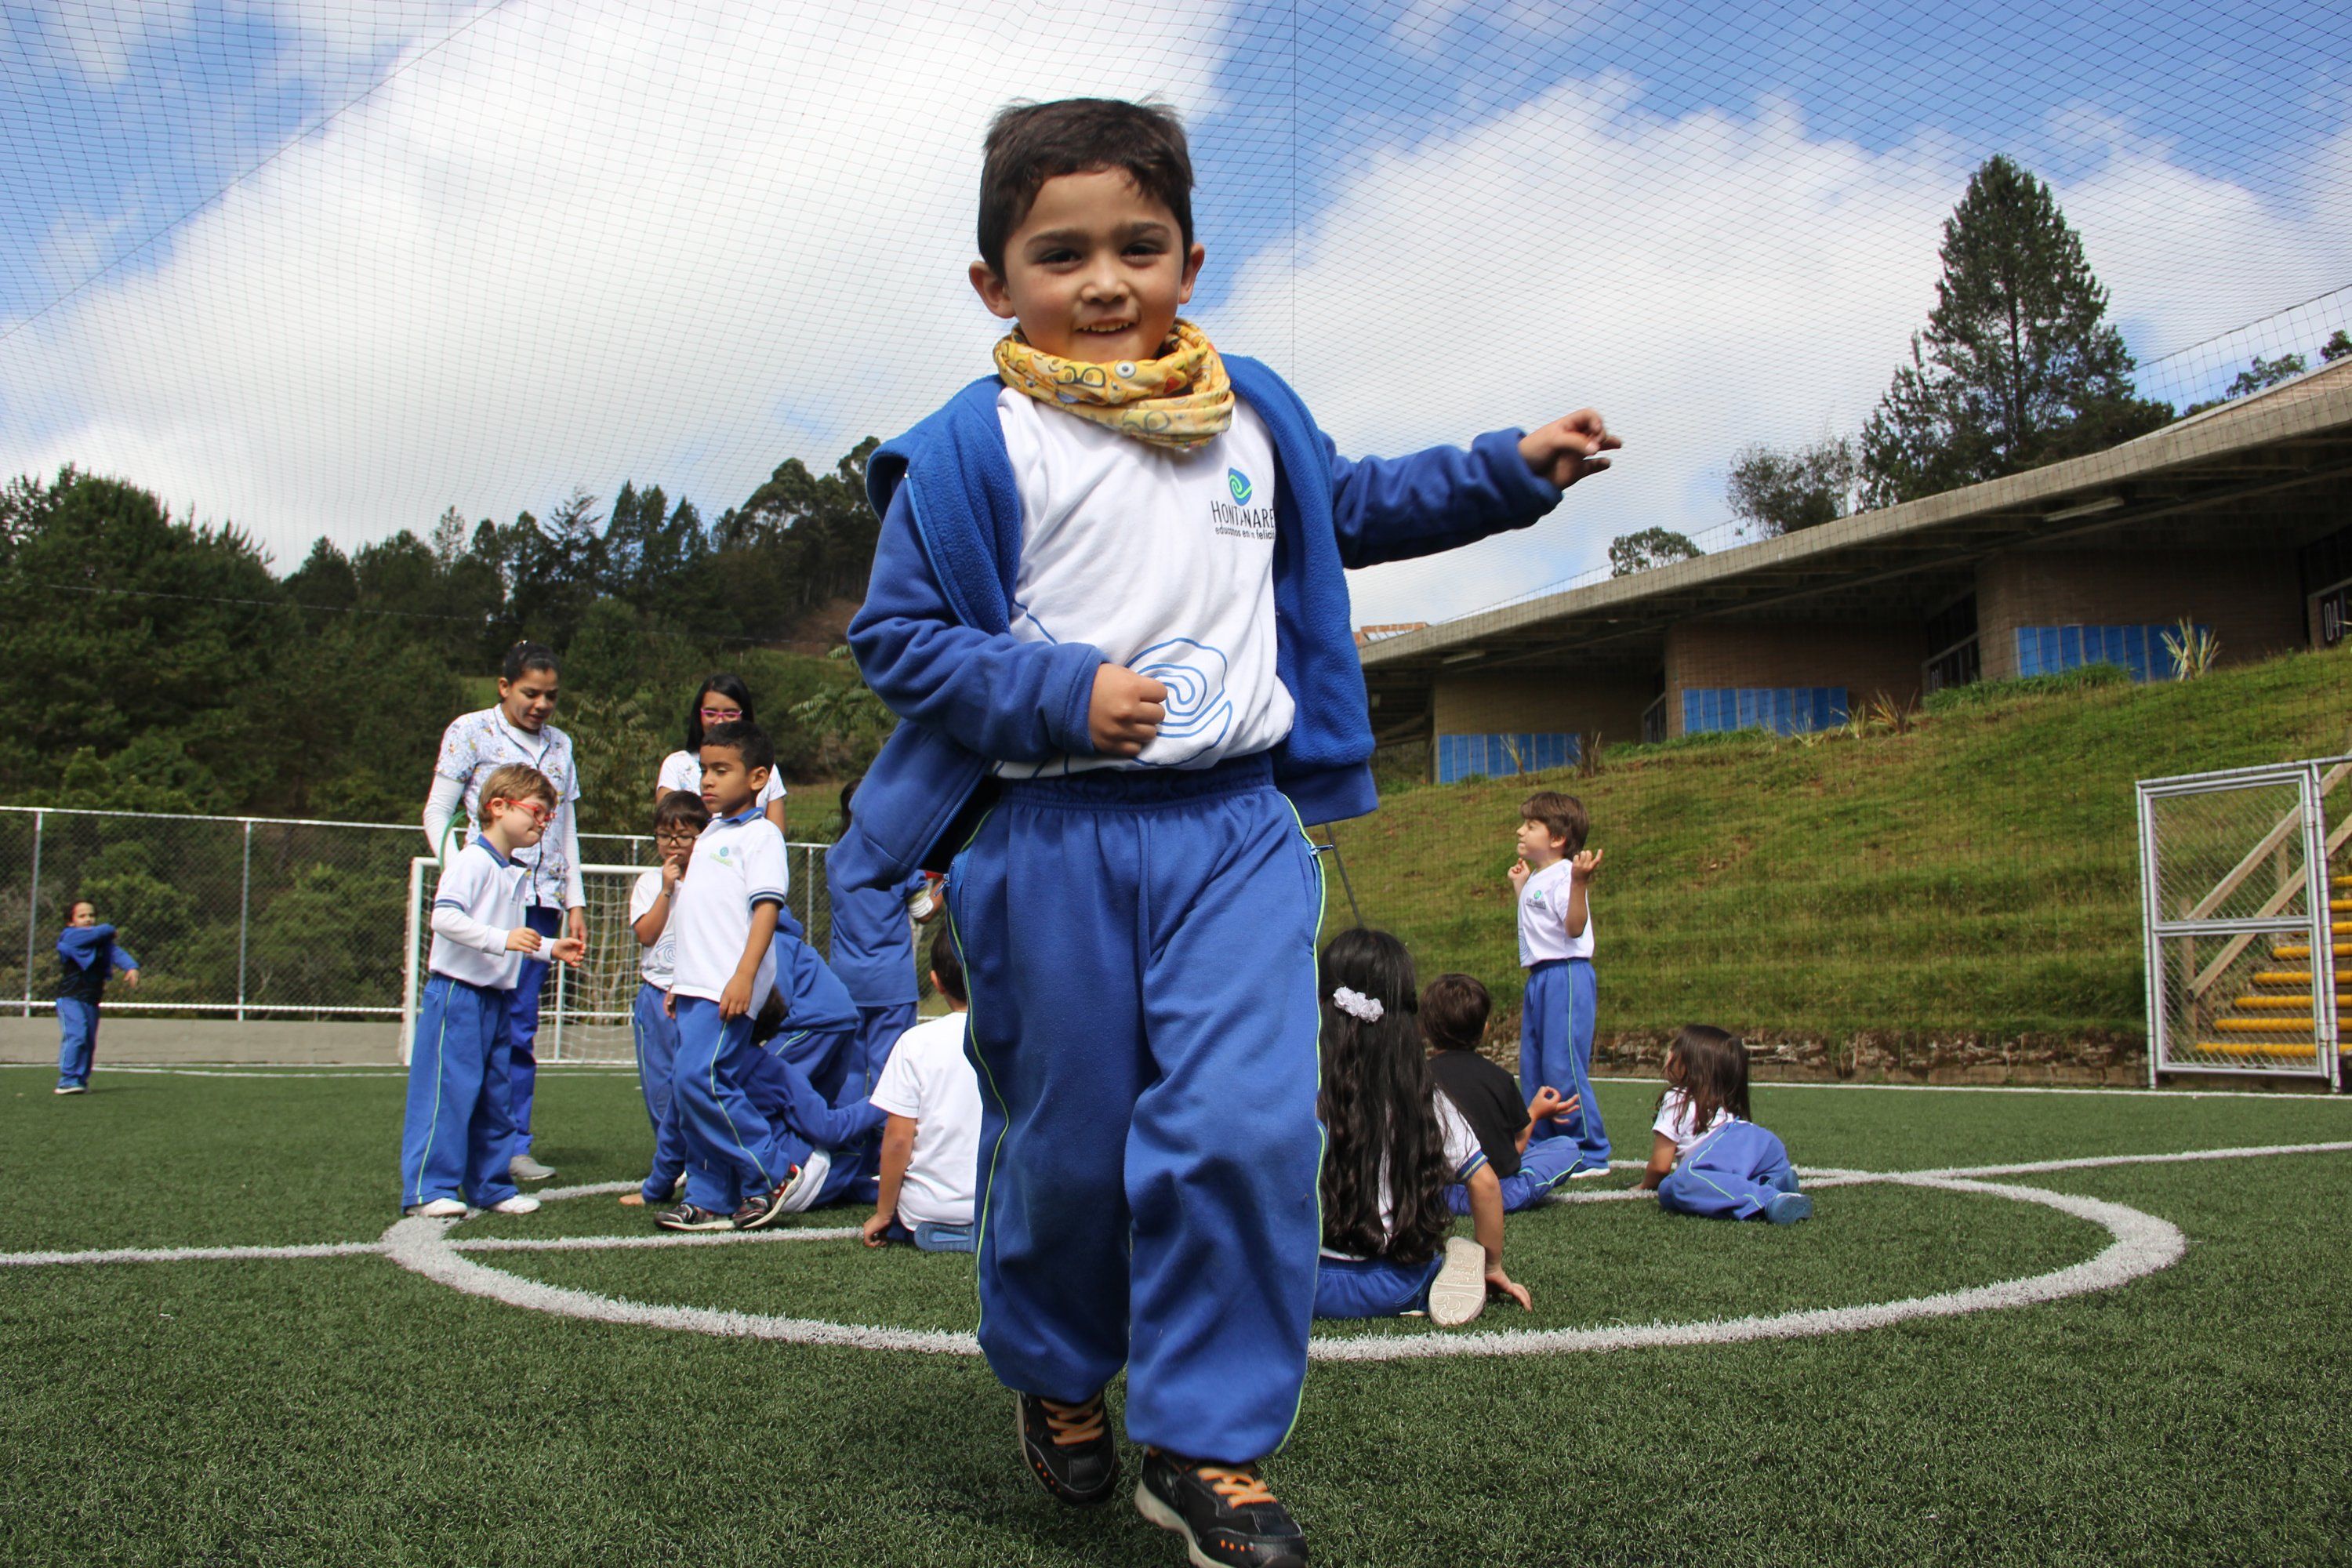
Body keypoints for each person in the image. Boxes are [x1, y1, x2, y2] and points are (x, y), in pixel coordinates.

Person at [831, 97, 1614, 1565]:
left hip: (1238, 834)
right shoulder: (964, 449)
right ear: (996, 285)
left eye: (1139, 246)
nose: (1106, 280)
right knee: (1067, 1152)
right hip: (1050, 844)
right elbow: (901, 641)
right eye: (1060, 253)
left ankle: (1205, 1444)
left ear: (1190, 259)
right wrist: (1061, 691)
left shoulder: (1249, 407)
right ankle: (1062, 1373)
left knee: (1249, 1128)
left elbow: (1353, 506)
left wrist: (1510, 469)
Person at [1312, 929, 1530, 1333]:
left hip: (1303, 1285)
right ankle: (1447, 1270)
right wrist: (1494, 1264)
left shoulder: (1302, 1086)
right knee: (1441, 1258)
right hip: (1395, 1285)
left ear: (1324, 1001)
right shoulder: (1424, 1094)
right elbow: (1485, 1184)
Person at [425, 641, 586, 1183]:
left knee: (519, 1028)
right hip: (482, 903)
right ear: (504, 686)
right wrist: (465, 871)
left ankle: (511, 1144)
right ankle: (454, 1149)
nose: (541, 705)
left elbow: (564, 828)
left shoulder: (562, 746)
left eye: (551, 696)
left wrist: (575, 900)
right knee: (471, 1027)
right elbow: (438, 811)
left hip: (539, 899)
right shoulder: (469, 731)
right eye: (530, 693)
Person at [400, 763, 584, 1218]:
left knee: (495, 1097)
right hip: (458, 997)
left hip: (497, 1001)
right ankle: (429, 1189)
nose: (543, 825)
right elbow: (445, 918)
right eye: (537, 814)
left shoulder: (509, 870)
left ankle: (491, 1186)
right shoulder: (471, 861)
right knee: (447, 1093)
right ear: (498, 807)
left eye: (547, 818)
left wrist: (547, 946)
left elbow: (510, 932)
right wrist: (502, 940)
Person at [663, 718, 810, 1231]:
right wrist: (679, 984)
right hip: (694, 988)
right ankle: (709, 1196)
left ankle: (768, 1168)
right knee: (693, 1088)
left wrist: (746, 977)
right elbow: (700, 917)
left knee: (699, 1078)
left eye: (721, 770)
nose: (707, 780)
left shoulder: (762, 835)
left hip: (729, 987)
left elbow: (766, 909)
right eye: (704, 769)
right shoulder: (709, 837)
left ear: (757, 777)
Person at [1420, 972, 1586, 1213]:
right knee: (1566, 1147)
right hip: (1496, 1193)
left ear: (1425, 1028)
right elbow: (1511, 1154)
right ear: (1485, 1028)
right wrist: (1536, 1113)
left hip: (1434, 1194)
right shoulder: (1500, 1079)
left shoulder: (1418, 1078)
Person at [1509, 789, 1609, 1176]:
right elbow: (1537, 923)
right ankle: (1545, 1144)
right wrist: (1520, 888)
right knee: (1533, 1064)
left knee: (1562, 1063)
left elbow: (1573, 926)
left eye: (1531, 825)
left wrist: (1581, 883)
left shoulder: (1567, 874)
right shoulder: (1540, 876)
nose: (1521, 830)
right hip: (1540, 979)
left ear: (1557, 839)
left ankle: (1589, 1150)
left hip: (1566, 975)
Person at [861, 936, 981, 1253]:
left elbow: (899, 1139)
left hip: (926, 1214)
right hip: (1001, 1207)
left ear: (936, 982)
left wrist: (883, 1213)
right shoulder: (1016, 1038)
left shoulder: (915, 1043)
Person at [618, 789, 707, 1208]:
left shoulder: (713, 881)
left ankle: (701, 1163)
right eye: (664, 836)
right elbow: (646, 934)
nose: (673, 845)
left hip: (698, 995)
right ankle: (670, 1167)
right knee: (661, 1089)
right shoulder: (649, 882)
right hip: (655, 996)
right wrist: (667, 891)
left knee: (696, 1083)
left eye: (684, 836)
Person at [829, 776, 941, 1095]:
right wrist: (945, 881)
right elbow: (924, 912)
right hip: (891, 984)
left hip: (845, 981)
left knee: (848, 1073)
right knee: (888, 1075)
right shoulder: (901, 865)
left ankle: (846, 1142)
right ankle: (884, 1143)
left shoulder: (834, 859)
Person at [1638, 1024, 1811, 1224]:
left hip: (1727, 1145)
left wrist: (1644, 1185)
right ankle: (1772, 1184)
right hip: (1762, 1146)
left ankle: (1770, 1199)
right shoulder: (1721, 1098)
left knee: (1678, 1184)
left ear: (1691, 1064)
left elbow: (1660, 1167)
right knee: (1669, 1191)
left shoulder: (1676, 1097)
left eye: (1675, 1049)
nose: (1668, 1053)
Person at [655, 673, 787, 834]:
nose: (719, 721)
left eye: (730, 714)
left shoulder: (767, 769)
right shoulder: (677, 764)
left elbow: (776, 834)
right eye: (711, 713)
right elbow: (668, 830)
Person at [52, 899, 138, 1095]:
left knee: (89, 1040)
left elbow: (116, 953)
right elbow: (103, 931)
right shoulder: (70, 937)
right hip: (71, 998)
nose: (89, 919)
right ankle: (67, 1080)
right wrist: (109, 928)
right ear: (71, 922)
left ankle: (80, 1080)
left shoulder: (101, 940)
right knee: (77, 1034)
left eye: (91, 915)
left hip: (91, 1000)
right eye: (82, 916)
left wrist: (131, 967)